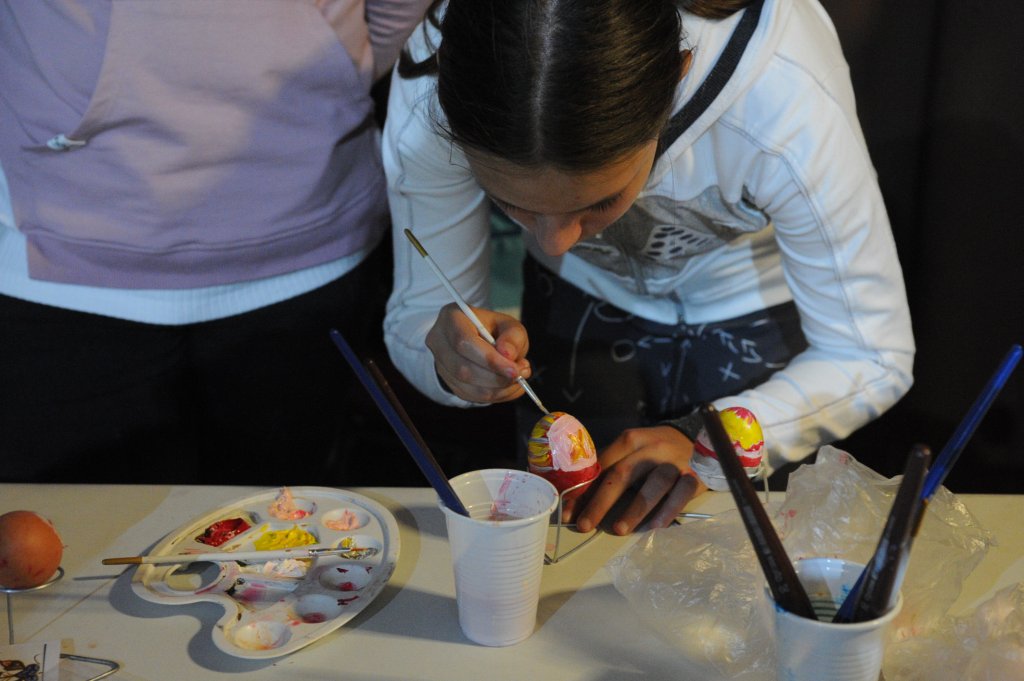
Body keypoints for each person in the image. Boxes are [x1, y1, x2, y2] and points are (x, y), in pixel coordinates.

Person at [382, 0, 916, 533]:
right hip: (578, 309)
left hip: (761, 317)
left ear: (676, 78)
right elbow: (418, 315)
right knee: (573, 539)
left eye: (599, 202)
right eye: (512, 204)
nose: (555, 243)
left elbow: (870, 353)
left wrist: (709, 440)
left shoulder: (783, 95)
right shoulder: (444, 79)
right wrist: (450, 360)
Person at [0, 1, 433, 483]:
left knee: (288, 521)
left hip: (309, 239)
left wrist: (340, 67)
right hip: (51, 258)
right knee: (79, 526)